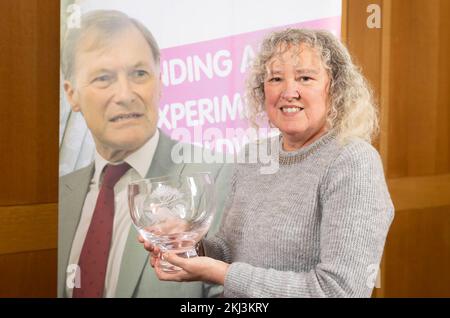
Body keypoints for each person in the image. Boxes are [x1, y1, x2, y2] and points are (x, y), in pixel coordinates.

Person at [140, 28, 395, 297]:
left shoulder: (352, 161)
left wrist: (220, 273)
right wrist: (189, 245)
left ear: (336, 89)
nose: (288, 91)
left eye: (305, 78)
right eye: (275, 78)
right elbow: (229, 250)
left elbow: (339, 291)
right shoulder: (253, 156)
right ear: (262, 90)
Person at [58, 10, 230, 298]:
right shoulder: (58, 197)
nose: (125, 94)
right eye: (103, 78)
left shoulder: (216, 178)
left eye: (139, 73)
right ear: (72, 94)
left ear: (160, 83)